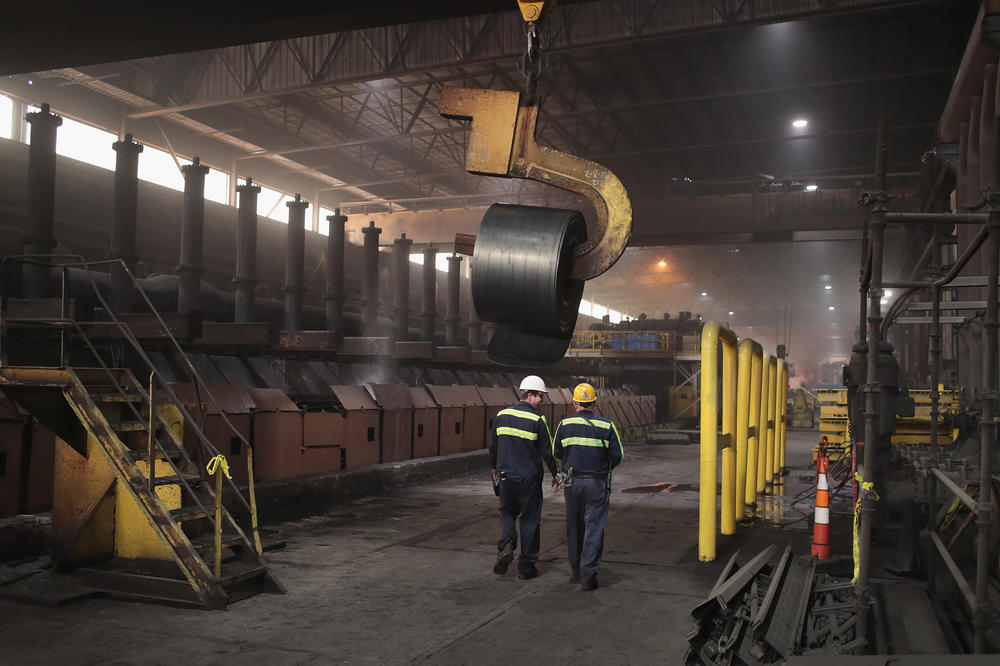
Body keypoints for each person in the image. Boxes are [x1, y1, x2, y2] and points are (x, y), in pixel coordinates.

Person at [552, 382, 624, 591]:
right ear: (594, 403)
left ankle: (575, 569)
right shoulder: (607, 425)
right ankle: (588, 574)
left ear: (574, 403)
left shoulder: (564, 425)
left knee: (574, 526)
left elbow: (557, 452)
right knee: (594, 528)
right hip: (596, 483)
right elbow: (618, 456)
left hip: (571, 482)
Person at [489, 375, 560, 580]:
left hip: (505, 477)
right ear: (530, 395)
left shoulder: (501, 415)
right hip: (528, 480)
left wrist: (494, 467)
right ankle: (526, 568)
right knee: (529, 521)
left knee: (507, 513)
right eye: (541, 396)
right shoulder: (538, 420)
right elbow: (548, 451)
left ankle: (507, 544)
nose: (543, 401)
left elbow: (493, 445)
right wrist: (555, 474)